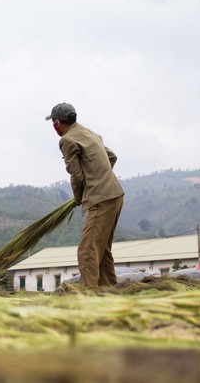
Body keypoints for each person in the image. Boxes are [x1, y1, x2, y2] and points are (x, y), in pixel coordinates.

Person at [45, 102, 124, 288]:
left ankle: (88, 295)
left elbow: (77, 174)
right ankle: (108, 291)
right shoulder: (91, 133)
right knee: (102, 250)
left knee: (87, 250)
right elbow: (111, 157)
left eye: (53, 123)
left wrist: (79, 197)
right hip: (116, 195)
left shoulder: (67, 140)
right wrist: (101, 176)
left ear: (57, 123)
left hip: (101, 199)